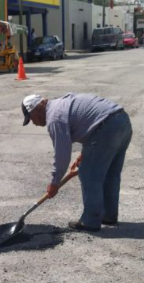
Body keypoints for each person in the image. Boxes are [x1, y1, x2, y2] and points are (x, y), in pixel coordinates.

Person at [22, 93, 133, 232]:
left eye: (31, 118)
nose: (34, 123)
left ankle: (90, 221)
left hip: (106, 129)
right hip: (122, 122)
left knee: (89, 176)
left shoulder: (54, 118)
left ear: (37, 109)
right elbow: (89, 122)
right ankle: (108, 215)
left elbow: (62, 154)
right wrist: (84, 154)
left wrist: (54, 182)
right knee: (110, 174)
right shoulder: (60, 104)